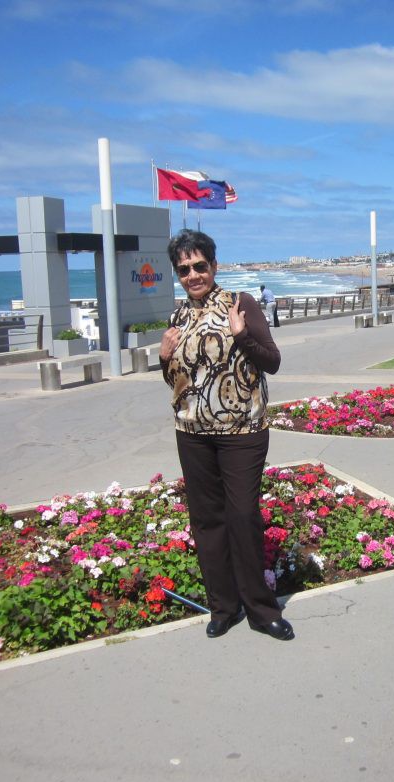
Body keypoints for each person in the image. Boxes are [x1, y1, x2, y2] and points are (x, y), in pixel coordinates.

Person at [158, 229, 294, 641]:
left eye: (200, 266)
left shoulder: (241, 303)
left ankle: (260, 609)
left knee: (242, 515)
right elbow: (178, 381)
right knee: (207, 520)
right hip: (192, 432)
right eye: (184, 269)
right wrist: (163, 358)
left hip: (242, 430)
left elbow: (272, 361)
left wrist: (242, 335)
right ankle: (223, 606)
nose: (193, 274)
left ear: (214, 266)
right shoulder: (178, 317)